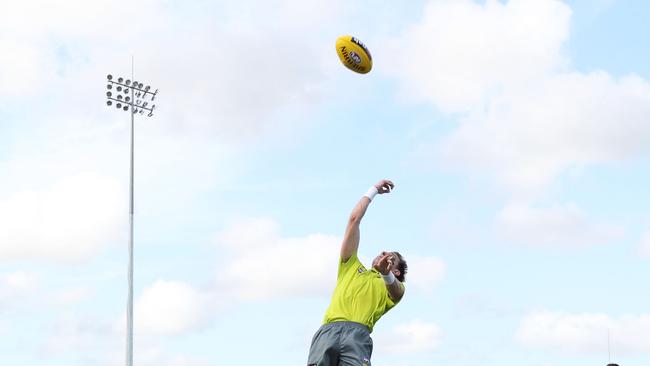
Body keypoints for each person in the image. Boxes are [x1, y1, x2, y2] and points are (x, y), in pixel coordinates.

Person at [307, 179, 408, 366]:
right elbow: (354, 220)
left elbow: (397, 292)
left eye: (391, 258)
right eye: (383, 253)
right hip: (328, 331)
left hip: (357, 336)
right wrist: (373, 191)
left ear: (396, 271)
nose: (384, 256)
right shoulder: (352, 266)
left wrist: (386, 274)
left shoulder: (392, 288)